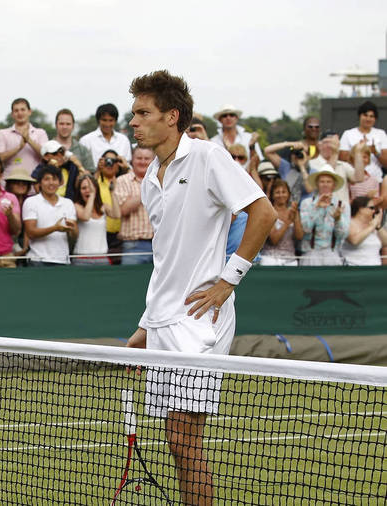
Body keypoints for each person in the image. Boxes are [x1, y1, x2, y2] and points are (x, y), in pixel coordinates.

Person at [125, 70, 275, 506]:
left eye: (143, 113)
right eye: (134, 113)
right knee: (176, 442)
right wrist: (145, 324)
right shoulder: (151, 176)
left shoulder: (209, 157)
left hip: (199, 322)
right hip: (163, 322)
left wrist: (229, 280)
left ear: (172, 116)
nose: (134, 122)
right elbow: (167, 261)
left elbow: (263, 214)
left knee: (185, 440)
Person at [23, 164, 78, 265]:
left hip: (63, 260)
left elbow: (74, 236)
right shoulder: (31, 202)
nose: (51, 183)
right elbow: (31, 232)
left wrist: (73, 229)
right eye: (47, 179)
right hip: (38, 260)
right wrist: (55, 228)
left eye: (55, 179)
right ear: (39, 183)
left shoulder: (68, 203)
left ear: (60, 183)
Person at [299, 166, 348, 266]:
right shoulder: (307, 203)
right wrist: (317, 208)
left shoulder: (342, 205)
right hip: (311, 254)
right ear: (317, 184)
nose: (325, 184)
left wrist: (338, 219)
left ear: (334, 185)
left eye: (328, 181)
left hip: (332, 254)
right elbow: (305, 229)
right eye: (322, 181)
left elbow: (343, 235)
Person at [114, 146, 154, 264]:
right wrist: (146, 187)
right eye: (139, 158)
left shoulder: (162, 179)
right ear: (132, 160)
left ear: (153, 160)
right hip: (133, 245)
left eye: (147, 158)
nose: (142, 162)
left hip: (160, 244)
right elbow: (123, 210)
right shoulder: (122, 180)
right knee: (130, 282)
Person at [0, 98, 48, 182]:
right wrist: (18, 148)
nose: (20, 113)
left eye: (23, 110)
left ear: (29, 112)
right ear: (12, 114)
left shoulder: (40, 133)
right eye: (16, 111)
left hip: (34, 184)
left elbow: (47, 156)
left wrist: (29, 140)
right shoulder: (2, 133)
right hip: (9, 184)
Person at [72, 173, 118, 265]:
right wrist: (92, 194)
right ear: (79, 191)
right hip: (82, 257)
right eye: (84, 188)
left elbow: (117, 215)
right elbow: (86, 217)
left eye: (90, 187)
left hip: (102, 257)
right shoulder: (76, 206)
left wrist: (112, 192)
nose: (87, 190)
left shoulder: (103, 207)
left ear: (96, 189)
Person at [338, 101, 387, 179]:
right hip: (353, 180)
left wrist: (375, 152)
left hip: (376, 180)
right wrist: (358, 151)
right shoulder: (348, 134)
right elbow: (342, 160)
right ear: (359, 116)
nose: (368, 119)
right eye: (365, 115)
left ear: (375, 119)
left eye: (371, 116)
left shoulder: (381, 134)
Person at [260, 180, 303, 266]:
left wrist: (296, 217)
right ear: (272, 195)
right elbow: (274, 240)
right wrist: (288, 222)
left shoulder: (293, 212)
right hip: (270, 260)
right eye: (277, 192)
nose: (281, 195)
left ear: (288, 194)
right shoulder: (269, 212)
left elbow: (299, 236)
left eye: (284, 192)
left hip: (291, 260)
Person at [95, 149, 126, 263]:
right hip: (101, 234)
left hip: (120, 236)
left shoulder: (124, 181)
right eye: (106, 160)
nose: (110, 163)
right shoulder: (96, 180)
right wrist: (98, 169)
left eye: (113, 161)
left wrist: (126, 167)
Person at [4, 166, 36, 260]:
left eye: (24, 183)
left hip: (29, 243)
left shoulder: (32, 201)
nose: (21, 185)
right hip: (8, 242)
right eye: (16, 182)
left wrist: (25, 248)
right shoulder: (4, 200)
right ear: (10, 184)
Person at [341, 197, 383, 266]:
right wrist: (372, 227)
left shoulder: (372, 223)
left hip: (375, 268)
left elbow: (385, 243)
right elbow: (354, 241)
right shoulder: (348, 222)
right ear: (361, 208)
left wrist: (378, 227)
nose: (374, 211)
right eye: (371, 208)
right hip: (354, 268)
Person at [53, 108, 95, 173]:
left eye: (68, 124)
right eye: (61, 124)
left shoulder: (83, 150)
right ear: (56, 125)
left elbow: (91, 174)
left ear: (73, 126)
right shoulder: (47, 148)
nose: (65, 127)